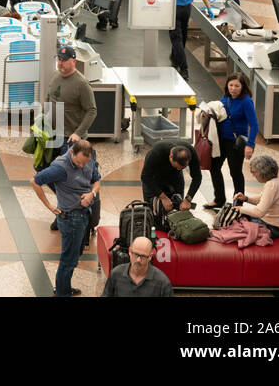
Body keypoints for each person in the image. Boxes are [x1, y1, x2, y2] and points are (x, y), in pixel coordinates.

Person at [31, 139, 101, 297]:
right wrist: (49, 205)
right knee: (68, 260)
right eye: (78, 162)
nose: (81, 166)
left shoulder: (89, 160)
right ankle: (62, 292)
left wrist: (92, 193)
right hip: (71, 218)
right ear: (72, 153)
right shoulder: (60, 168)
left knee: (74, 256)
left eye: (85, 162)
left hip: (84, 214)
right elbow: (34, 181)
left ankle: (64, 288)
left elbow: (96, 180)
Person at [205, 73, 258, 208]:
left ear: (243, 86)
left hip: (235, 142)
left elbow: (254, 124)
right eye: (231, 85)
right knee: (214, 167)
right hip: (221, 140)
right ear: (227, 86)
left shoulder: (246, 101)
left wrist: (250, 145)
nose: (233, 88)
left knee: (235, 172)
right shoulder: (226, 98)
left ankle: (238, 202)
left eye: (237, 86)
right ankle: (219, 198)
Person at [47, 45, 97, 146]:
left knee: (69, 162)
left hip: (69, 138)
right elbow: (48, 98)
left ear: (74, 61)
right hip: (51, 133)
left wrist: (78, 133)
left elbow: (91, 110)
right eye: (59, 59)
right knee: (43, 162)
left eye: (64, 60)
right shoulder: (55, 75)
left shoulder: (82, 83)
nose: (60, 63)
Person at [140, 142, 202, 218]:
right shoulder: (157, 152)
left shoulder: (190, 152)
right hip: (153, 177)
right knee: (153, 213)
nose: (179, 169)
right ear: (170, 156)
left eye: (182, 168)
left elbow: (197, 177)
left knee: (178, 207)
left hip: (175, 177)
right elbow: (145, 176)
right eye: (177, 167)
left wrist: (188, 200)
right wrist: (163, 197)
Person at [234, 154, 279, 237]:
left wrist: (240, 209)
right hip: (275, 227)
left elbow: (259, 212)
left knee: (237, 221)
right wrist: (246, 198)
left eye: (254, 172)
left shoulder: (271, 185)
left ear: (263, 171)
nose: (253, 175)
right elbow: (261, 199)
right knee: (241, 217)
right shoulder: (276, 182)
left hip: (273, 228)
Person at [101, 236, 173, 297]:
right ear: (130, 251)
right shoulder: (115, 274)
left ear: (150, 256)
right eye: (136, 254)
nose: (138, 260)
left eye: (143, 256)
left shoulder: (163, 283)